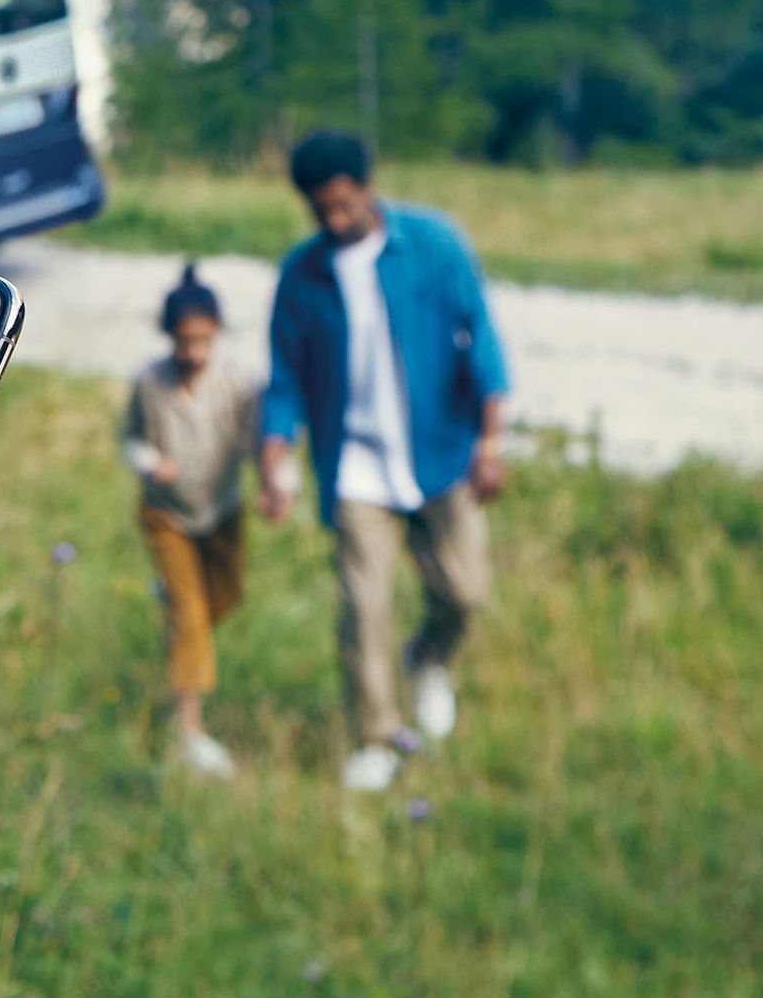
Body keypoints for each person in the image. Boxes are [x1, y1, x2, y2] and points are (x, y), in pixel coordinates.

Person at [254, 131, 514, 794]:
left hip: (441, 454)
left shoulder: (433, 244)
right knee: (363, 608)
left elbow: (481, 338)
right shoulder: (302, 275)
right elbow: (284, 379)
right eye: (322, 212)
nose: (336, 222)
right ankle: (376, 737)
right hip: (356, 470)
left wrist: (490, 441)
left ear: (368, 187)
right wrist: (275, 460)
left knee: (466, 591)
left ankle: (428, 660)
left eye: (345, 205)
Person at [120, 262, 259, 778]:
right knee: (193, 619)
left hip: (220, 511)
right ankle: (188, 730)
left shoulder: (238, 382)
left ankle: (181, 620)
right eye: (185, 341)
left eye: (203, 341)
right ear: (170, 337)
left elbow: (257, 440)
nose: (194, 353)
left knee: (226, 596)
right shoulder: (150, 383)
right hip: (166, 515)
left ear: (217, 335)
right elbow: (130, 438)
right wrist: (150, 462)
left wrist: (272, 475)